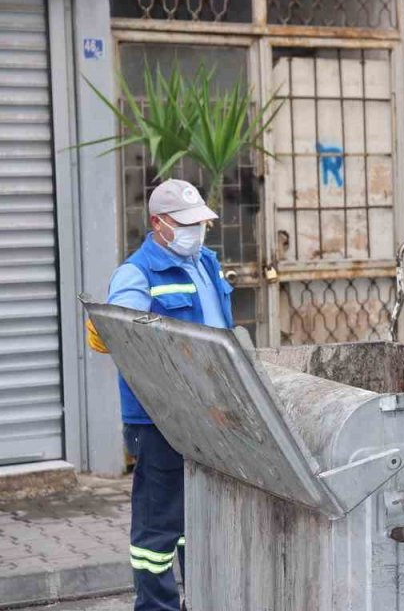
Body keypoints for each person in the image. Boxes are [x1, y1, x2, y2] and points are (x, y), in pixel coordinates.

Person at [85, 179, 231, 611]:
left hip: (209, 414)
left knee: (197, 519)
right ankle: (156, 606)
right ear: (158, 224)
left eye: (200, 223)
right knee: (158, 529)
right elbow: (119, 330)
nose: (196, 232)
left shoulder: (205, 263)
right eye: (185, 224)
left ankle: (199, 600)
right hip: (159, 419)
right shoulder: (136, 273)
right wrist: (108, 324)